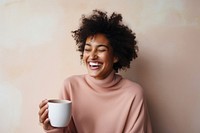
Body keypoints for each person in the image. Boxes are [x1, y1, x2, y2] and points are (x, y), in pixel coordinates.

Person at [38, 9, 152, 133]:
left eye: (101, 50)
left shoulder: (133, 94)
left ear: (115, 56)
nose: (92, 56)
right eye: (87, 49)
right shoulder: (70, 86)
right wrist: (51, 129)